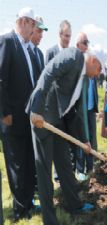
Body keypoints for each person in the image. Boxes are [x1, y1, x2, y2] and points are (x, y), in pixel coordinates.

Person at [27, 48, 100, 225]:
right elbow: (48, 72)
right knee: (44, 171)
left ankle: (75, 205)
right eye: (99, 70)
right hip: (42, 118)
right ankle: (50, 220)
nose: (98, 75)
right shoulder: (73, 56)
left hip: (57, 122)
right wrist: (36, 110)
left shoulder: (83, 77)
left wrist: (85, 140)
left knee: (65, 165)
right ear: (93, 61)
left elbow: (76, 112)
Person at [0, 7, 39, 221]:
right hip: (12, 118)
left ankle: (27, 202)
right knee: (16, 165)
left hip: (26, 118)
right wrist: (4, 113)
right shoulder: (7, 41)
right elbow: (0, 79)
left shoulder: (27, 48)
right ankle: (19, 210)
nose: (34, 30)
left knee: (26, 161)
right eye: (33, 25)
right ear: (24, 22)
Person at [45, 20, 72, 182]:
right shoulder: (50, 52)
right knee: (54, 140)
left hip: (67, 106)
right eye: (66, 35)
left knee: (66, 140)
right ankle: (56, 175)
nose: (68, 39)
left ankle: (65, 174)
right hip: (54, 106)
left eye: (70, 36)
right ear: (60, 34)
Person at [76, 32, 98, 180]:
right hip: (81, 109)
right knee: (81, 138)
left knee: (91, 139)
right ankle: (80, 169)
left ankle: (90, 168)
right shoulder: (80, 68)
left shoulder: (92, 72)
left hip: (91, 109)